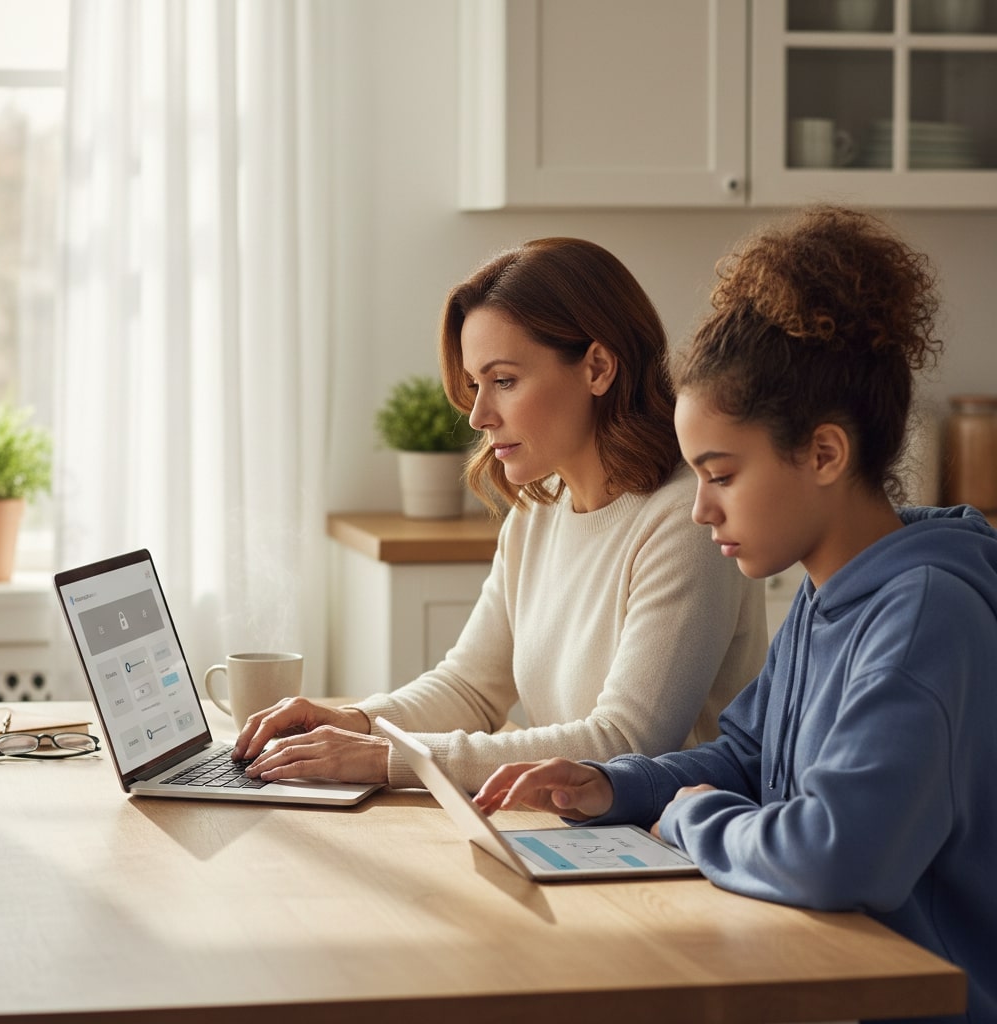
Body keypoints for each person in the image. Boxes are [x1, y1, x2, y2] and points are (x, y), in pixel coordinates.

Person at [474, 208, 997, 1023]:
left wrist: (692, 819)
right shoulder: (830, 592)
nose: (700, 511)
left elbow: (837, 858)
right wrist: (612, 787)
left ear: (824, 454)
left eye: (720, 475)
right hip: (811, 971)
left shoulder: (924, 616)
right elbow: (750, 758)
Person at [233, 237, 767, 792]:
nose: (479, 415)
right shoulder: (543, 507)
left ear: (599, 367)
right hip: (581, 833)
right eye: (475, 384)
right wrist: (357, 722)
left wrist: (384, 758)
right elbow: (471, 686)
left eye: (504, 380)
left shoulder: (685, 518)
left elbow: (624, 744)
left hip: (673, 850)